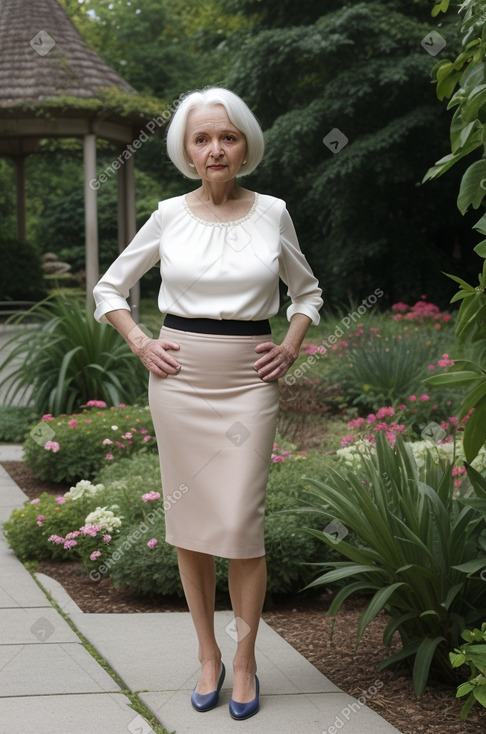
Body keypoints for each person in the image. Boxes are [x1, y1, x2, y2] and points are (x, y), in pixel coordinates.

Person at [92, 86, 323, 721]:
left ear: (244, 144)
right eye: (202, 138)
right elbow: (109, 288)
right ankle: (207, 656)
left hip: (250, 382)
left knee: (242, 528)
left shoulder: (272, 212)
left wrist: (292, 347)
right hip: (179, 380)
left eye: (226, 136)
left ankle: (244, 658)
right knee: (191, 526)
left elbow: (307, 293)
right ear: (186, 150)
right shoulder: (168, 214)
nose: (215, 148)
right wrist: (140, 342)